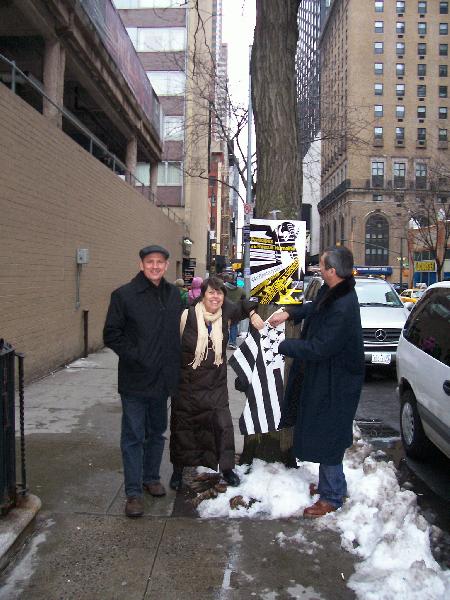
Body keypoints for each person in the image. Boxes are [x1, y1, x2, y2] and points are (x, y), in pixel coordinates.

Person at [268, 246, 364, 518]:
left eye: (321, 266)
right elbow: (314, 308)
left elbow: (320, 348)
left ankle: (332, 495)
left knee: (330, 436)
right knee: (325, 431)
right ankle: (329, 485)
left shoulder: (343, 306)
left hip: (338, 382)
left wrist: (284, 346)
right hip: (326, 377)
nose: (318, 270)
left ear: (332, 271)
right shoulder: (333, 292)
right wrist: (290, 312)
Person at [103, 245, 182, 518]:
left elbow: (194, 321)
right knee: (134, 436)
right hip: (135, 380)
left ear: (167, 266)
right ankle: (133, 492)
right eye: (150, 262)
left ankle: (151, 478)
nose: (155, 266)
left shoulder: (174, 296)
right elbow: (111, 334)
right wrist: (136, 356)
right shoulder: (124, 295)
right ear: (141, 265)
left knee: (157, 433)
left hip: (162, 381)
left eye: (160, 262)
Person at [169, 276, 264, 491]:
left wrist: (252, 313)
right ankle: (178, 470)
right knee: (183, 428)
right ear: (203, 294)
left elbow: (247, 302)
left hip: (215, 385)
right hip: (187, 385)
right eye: (211, 292)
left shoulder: (227, 313)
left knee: (222, 426)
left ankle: (227, 469)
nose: (215, 296)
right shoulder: (187, 314)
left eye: (219, 293)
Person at [223, 274, 243, 349]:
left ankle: (222, 342)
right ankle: (232, 342)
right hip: (236, 310)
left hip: (225, 309)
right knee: (234, 326)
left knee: (224, 326)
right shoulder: (240, 290)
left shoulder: (224, 288)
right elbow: (245, 297)